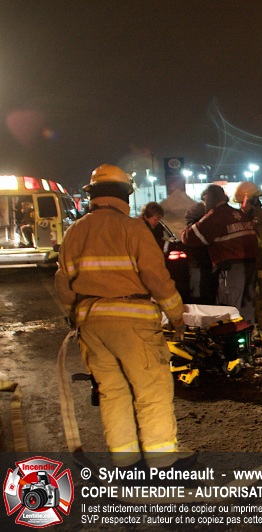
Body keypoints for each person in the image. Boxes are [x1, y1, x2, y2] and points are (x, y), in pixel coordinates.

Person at [53, 164, 188, 469]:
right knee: (151, 392)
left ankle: (126, 464)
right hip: (134, 325)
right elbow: (156, 278)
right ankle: (163, 464)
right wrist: (176, 316)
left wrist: (77, 314)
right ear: (124, 195)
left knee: (112, 394)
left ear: (93, 195)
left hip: (91, 326)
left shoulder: (74, 232)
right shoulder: (133, 229)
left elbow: (63, 283)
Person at [180, 184, 257, 324]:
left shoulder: (215, 216)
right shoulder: (239, 214)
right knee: (247, 306)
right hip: (250, 268)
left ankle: (231, 335)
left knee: (229, 309)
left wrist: (190, 223)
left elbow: (190, 237)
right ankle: (248, 333)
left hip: (231, 271)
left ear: (208, 199)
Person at [234, 181, 262, 348]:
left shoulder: (260, 218)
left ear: (253, 201)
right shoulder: (250, 217)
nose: (241, 206)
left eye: (243, 202)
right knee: (257, 305)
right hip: (257, 268)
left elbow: (256, 242)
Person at [183, 196, 217, 305]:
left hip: (200, 259)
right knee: (204, 284)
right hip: (203, 259)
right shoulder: (202, 214)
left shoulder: (196, 215)